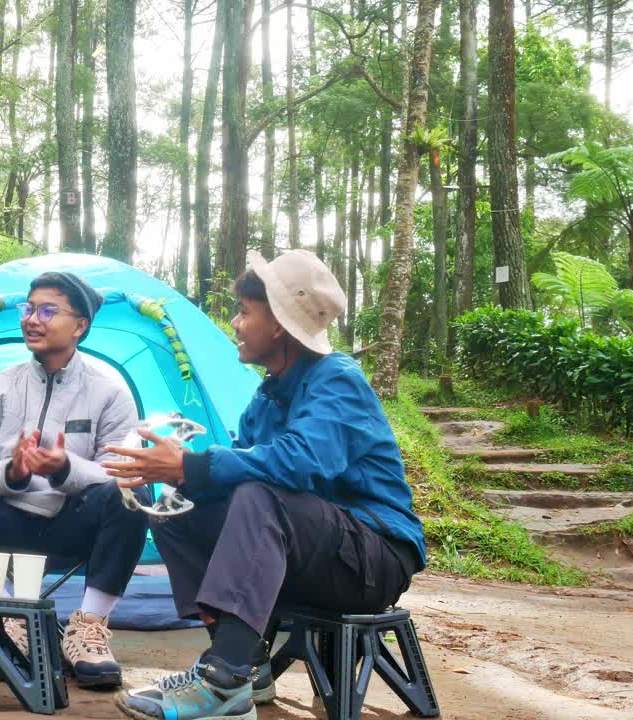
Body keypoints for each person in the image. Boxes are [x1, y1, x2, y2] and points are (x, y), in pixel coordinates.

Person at [104, 250, 426, 720]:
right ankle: (246, 666)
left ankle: (222, 680)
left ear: (277, 324)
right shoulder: (269, 393)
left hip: (374, 556)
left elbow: (302, 462)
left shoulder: (338, 381)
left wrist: (193, 465)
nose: (235, 324)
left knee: (259, 496)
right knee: (176, 509)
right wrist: (177, 473)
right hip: (315, 550)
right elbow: (238, 471)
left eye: (244, 312)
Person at [0, 271, 149, 689]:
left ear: (79, 326)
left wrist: (64, 468)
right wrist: (12, 472)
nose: (32, 319)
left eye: (48, 311)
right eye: (29, 308)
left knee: (131, 493)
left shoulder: (109, 392)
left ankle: (89, 629)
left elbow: (120, 467)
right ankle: (5, 618)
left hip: (70, 526)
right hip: (5, 522)